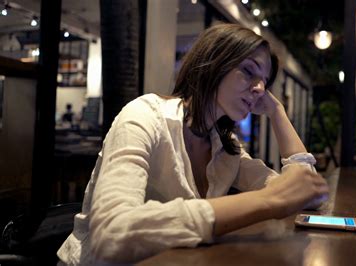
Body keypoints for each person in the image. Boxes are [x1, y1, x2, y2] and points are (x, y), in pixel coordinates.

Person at [57, 23, 329, 265]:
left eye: (265, 82)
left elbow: (308, 193)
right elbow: (111, 234)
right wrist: (268, 199)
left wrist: (277, 112)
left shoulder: (226, 146)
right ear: (213, 64)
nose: (260, 88)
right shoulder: (144, 116)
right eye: (248, 71)